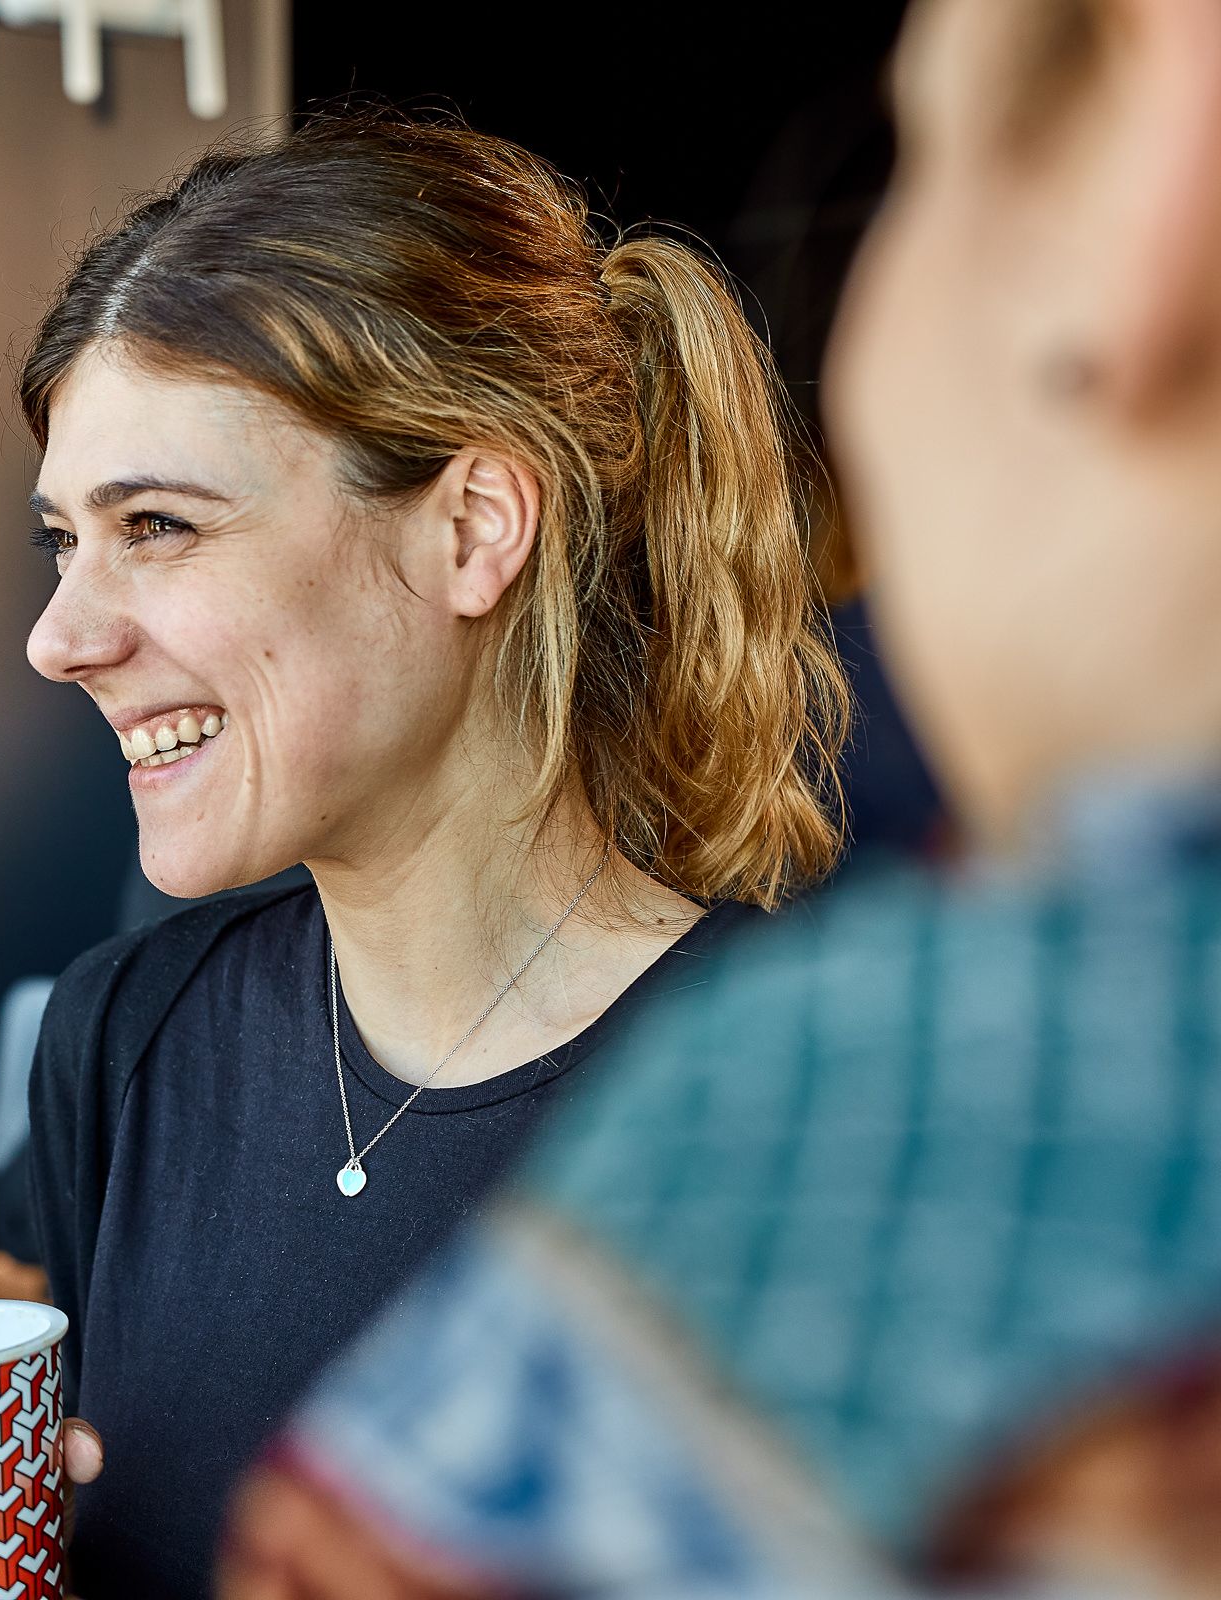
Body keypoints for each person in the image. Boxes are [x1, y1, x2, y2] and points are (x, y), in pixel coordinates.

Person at [0, 114, 850, 1600]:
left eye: (156, 524)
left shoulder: (801, 1102)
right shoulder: (129, 1040)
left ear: (471, 528)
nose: (62, 637)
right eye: (61, 542)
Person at [221, 1, 1221, 1595]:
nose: (62, 639)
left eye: (922, 160)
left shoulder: (844, 1129)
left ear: (1155, 159)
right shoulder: (130, 1039)